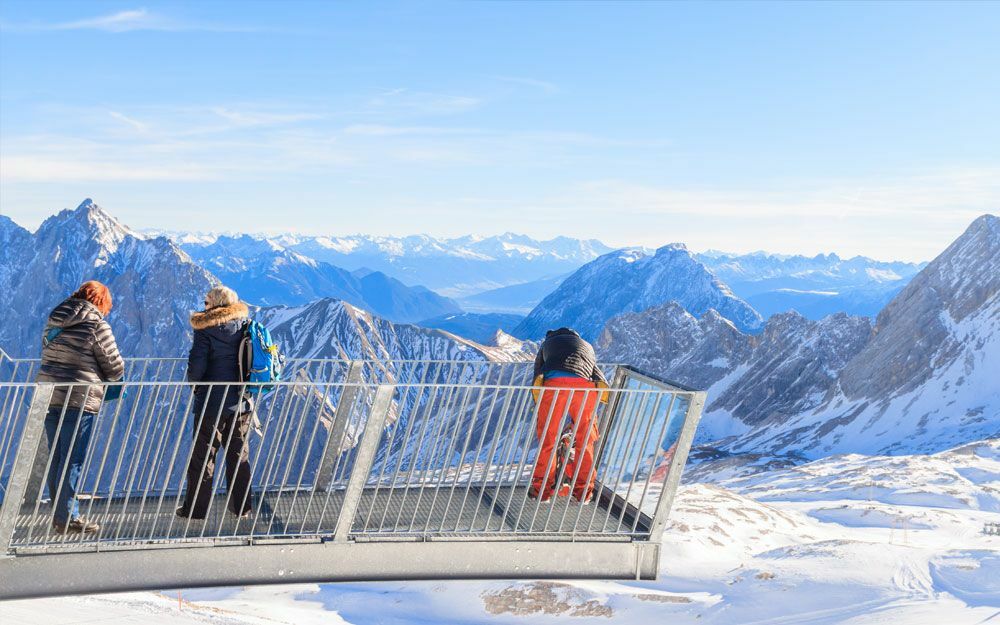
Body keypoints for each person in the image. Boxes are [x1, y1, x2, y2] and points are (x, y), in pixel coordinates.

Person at [36, 281, 125, 534]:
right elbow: (114, 366)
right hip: (79, 398)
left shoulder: (55, 320)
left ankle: (60, 515)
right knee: (72, 459)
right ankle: (68, 517)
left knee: (57, 457)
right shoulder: (96, 324)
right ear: (101, 302)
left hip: (50, 395)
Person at [177, 286, 254, 520]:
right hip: (241, 400)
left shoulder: (205, 329)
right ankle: (241, 508)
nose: (204, 306)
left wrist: (196, 387)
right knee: (238, 455)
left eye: (206, 302)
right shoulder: (245, 326)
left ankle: (195, 510)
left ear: (216, 304)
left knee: (203, 456)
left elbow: (196, 366)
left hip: (211, 402)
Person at [529, 327, 608, 504]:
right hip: (584, 388)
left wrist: (538, 401)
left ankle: (542, 491)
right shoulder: (585, 345)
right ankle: (584, 492)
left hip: (555, 386)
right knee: (585, 440)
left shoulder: (547, 344)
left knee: (548, 439)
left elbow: (538, 373)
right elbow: (595, 371)